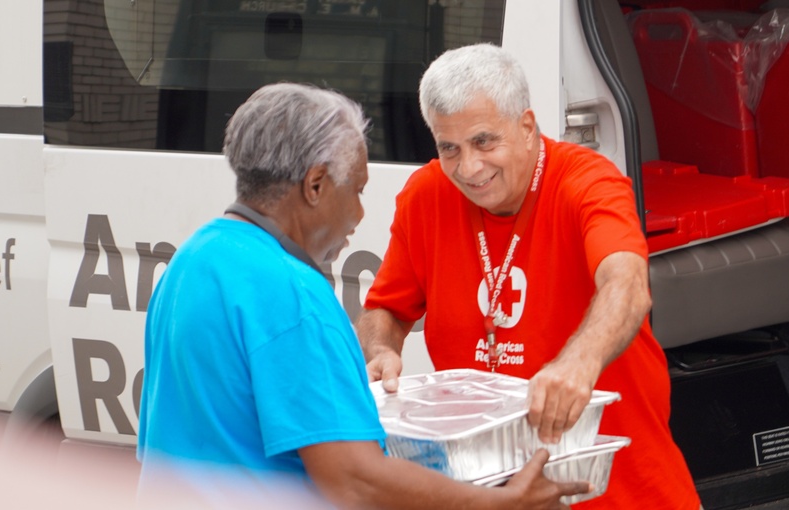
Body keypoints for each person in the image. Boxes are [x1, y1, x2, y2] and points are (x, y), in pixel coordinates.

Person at [135, 82, 590, 509]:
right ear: (315, 186)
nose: (359, 214)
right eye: (356, 190)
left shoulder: (195, 258)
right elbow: (352, 479)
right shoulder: (295, 295)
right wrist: (498, 502)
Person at [356, 44, 702, 510]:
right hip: (492, 495)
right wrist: (379, 350)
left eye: (484, 142)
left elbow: (627, 284)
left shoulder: (587, 181)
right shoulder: (426, 194)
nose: (468, 168)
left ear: (526, 126)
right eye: (449, 148)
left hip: (620, 491)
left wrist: (578, 362)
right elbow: (386, 308)